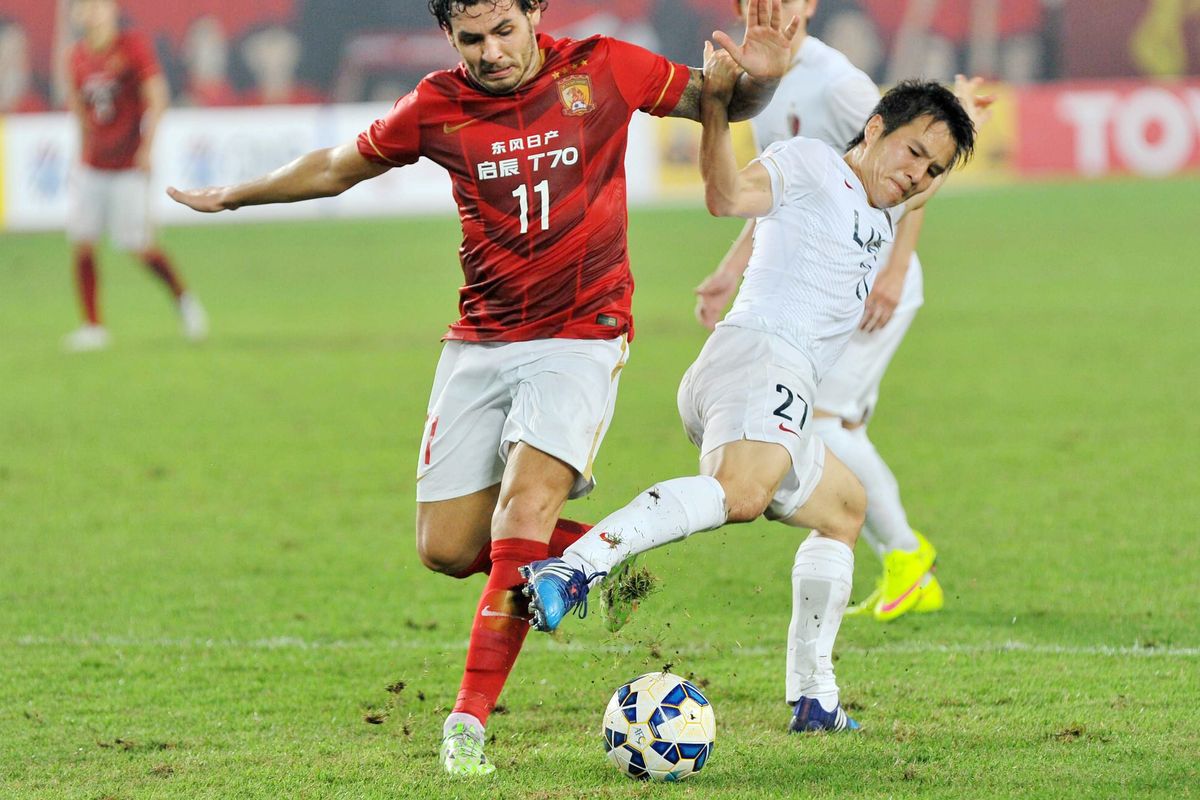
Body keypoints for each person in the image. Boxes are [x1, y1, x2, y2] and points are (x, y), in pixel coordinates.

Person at [167, 0, 800, 776]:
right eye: (473, 38)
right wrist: (234, 196)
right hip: (481, 338)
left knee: (524, 508)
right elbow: (337, 167)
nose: (492, 51)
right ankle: (601, 562)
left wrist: (761, 80)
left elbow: (719, 97)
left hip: (581, 332)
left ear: (536, 13)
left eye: (505, 31)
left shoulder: (602, 67)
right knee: (449, 548)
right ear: (449, 35)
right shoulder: (439, 105)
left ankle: (466, 722)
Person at [522, 51, 985, 734]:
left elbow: (918, 187)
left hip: (777, 382)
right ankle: (576, 568)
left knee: (844, 510)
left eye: (933, 168)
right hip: (757, 357)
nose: (916, 173)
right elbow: (725, 197)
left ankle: (815, 700)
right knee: (741, 496)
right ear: (875, 126)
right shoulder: (809, 163)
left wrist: (961, 120)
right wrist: (714, 107)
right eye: (912, 152)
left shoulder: (888, 203)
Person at [695, 0, 941, 622]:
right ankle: (889, 550)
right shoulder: (763, 81)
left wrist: (892, 271)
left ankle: (907, 557)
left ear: (809, 6)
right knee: (827, 423)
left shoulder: (840, 84)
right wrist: (729, 271)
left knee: (826, 422)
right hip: (823, 279)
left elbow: (913, 174)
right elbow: (791, 195)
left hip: (868, 276)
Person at [64, 0, 207, 352]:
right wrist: (79, 158)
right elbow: (79, 109)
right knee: (83, 244)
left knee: (140, 246)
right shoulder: (77, 57)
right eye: (85, 7)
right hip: (93, 166)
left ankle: (184, 300)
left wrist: (148, 147)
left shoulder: (132, 47)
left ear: (112, 10)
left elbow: (157, 97)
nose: (92, 13)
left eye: (98, 6)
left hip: (127, 166)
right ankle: (93, 326)